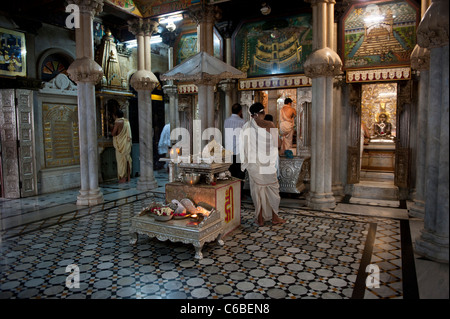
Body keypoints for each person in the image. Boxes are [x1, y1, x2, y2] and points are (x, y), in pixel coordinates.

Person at [239, 102, 285, 226]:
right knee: (273, 190)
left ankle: (260, 220)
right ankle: (275, 217)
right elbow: (278, 144)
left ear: (252, 115)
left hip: (254, 165)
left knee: (257, 191)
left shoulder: (247, 127)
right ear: (263, 112)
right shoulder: (269, 124)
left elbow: (243, 147)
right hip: (268, 164)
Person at [224, 103, 246, 182]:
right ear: (240, 111)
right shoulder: (243, 122)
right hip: (239, 152)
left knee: (231, 173)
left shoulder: (226, 121)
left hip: (229, 151)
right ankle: (240, 192)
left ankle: (233, 192)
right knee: (239, 173)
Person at [111, 109, 132, 183]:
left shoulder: (117, 122)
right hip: (126, 144)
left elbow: (113, 133)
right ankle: (128, 177)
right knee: (127, 159)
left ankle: (122, 178)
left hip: (120, 145)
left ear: (116, 115)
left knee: (121, 161)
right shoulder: (127, 121)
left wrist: (111, 127)